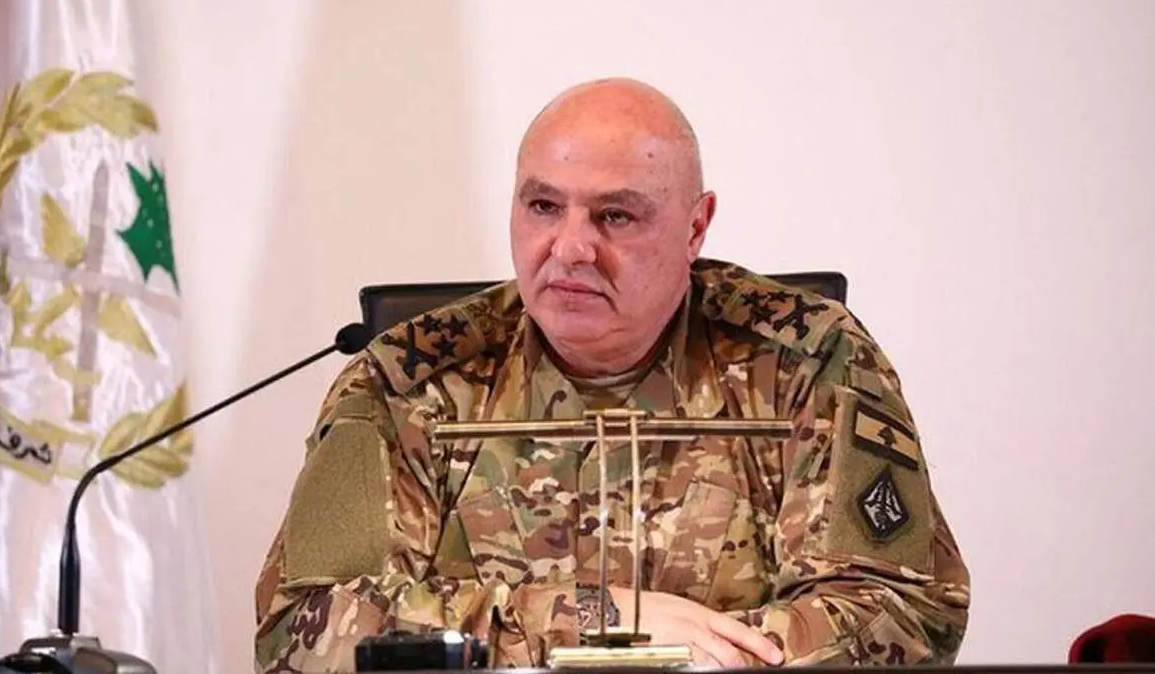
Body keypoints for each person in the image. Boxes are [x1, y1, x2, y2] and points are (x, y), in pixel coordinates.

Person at [253, 78, 971, 672]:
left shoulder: (807, 361)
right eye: (543, 206)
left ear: (696, 227)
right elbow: (302, 630)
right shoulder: (406, 381)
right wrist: (589, 620)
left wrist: (694, 662)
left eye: (616, 216)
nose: (570, 248)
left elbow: (902, 609)